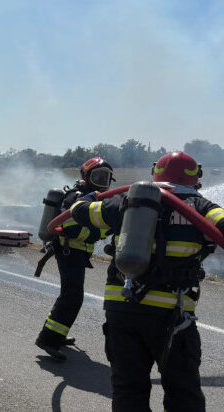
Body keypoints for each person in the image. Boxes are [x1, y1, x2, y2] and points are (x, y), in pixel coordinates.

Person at [70, 151, 220, 411]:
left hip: (123, 310)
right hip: (174, 316)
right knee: (183, 394)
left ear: (156, 174)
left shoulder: (128, 201)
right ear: (195, 177)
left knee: (128, 390)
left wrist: (87, 197)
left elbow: (80, 212)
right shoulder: (202, 207)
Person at [35, 157, 114, 361]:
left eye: (106, 177)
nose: (102, 181)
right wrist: (97, 234)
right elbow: (69, 226)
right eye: (98, 176)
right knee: (72, 296)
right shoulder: (78, 197)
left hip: (77, 252)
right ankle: (48, 339)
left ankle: (57, 335)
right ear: (86, 177)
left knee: (70, 295)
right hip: (69, 251)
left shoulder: (96, 200)